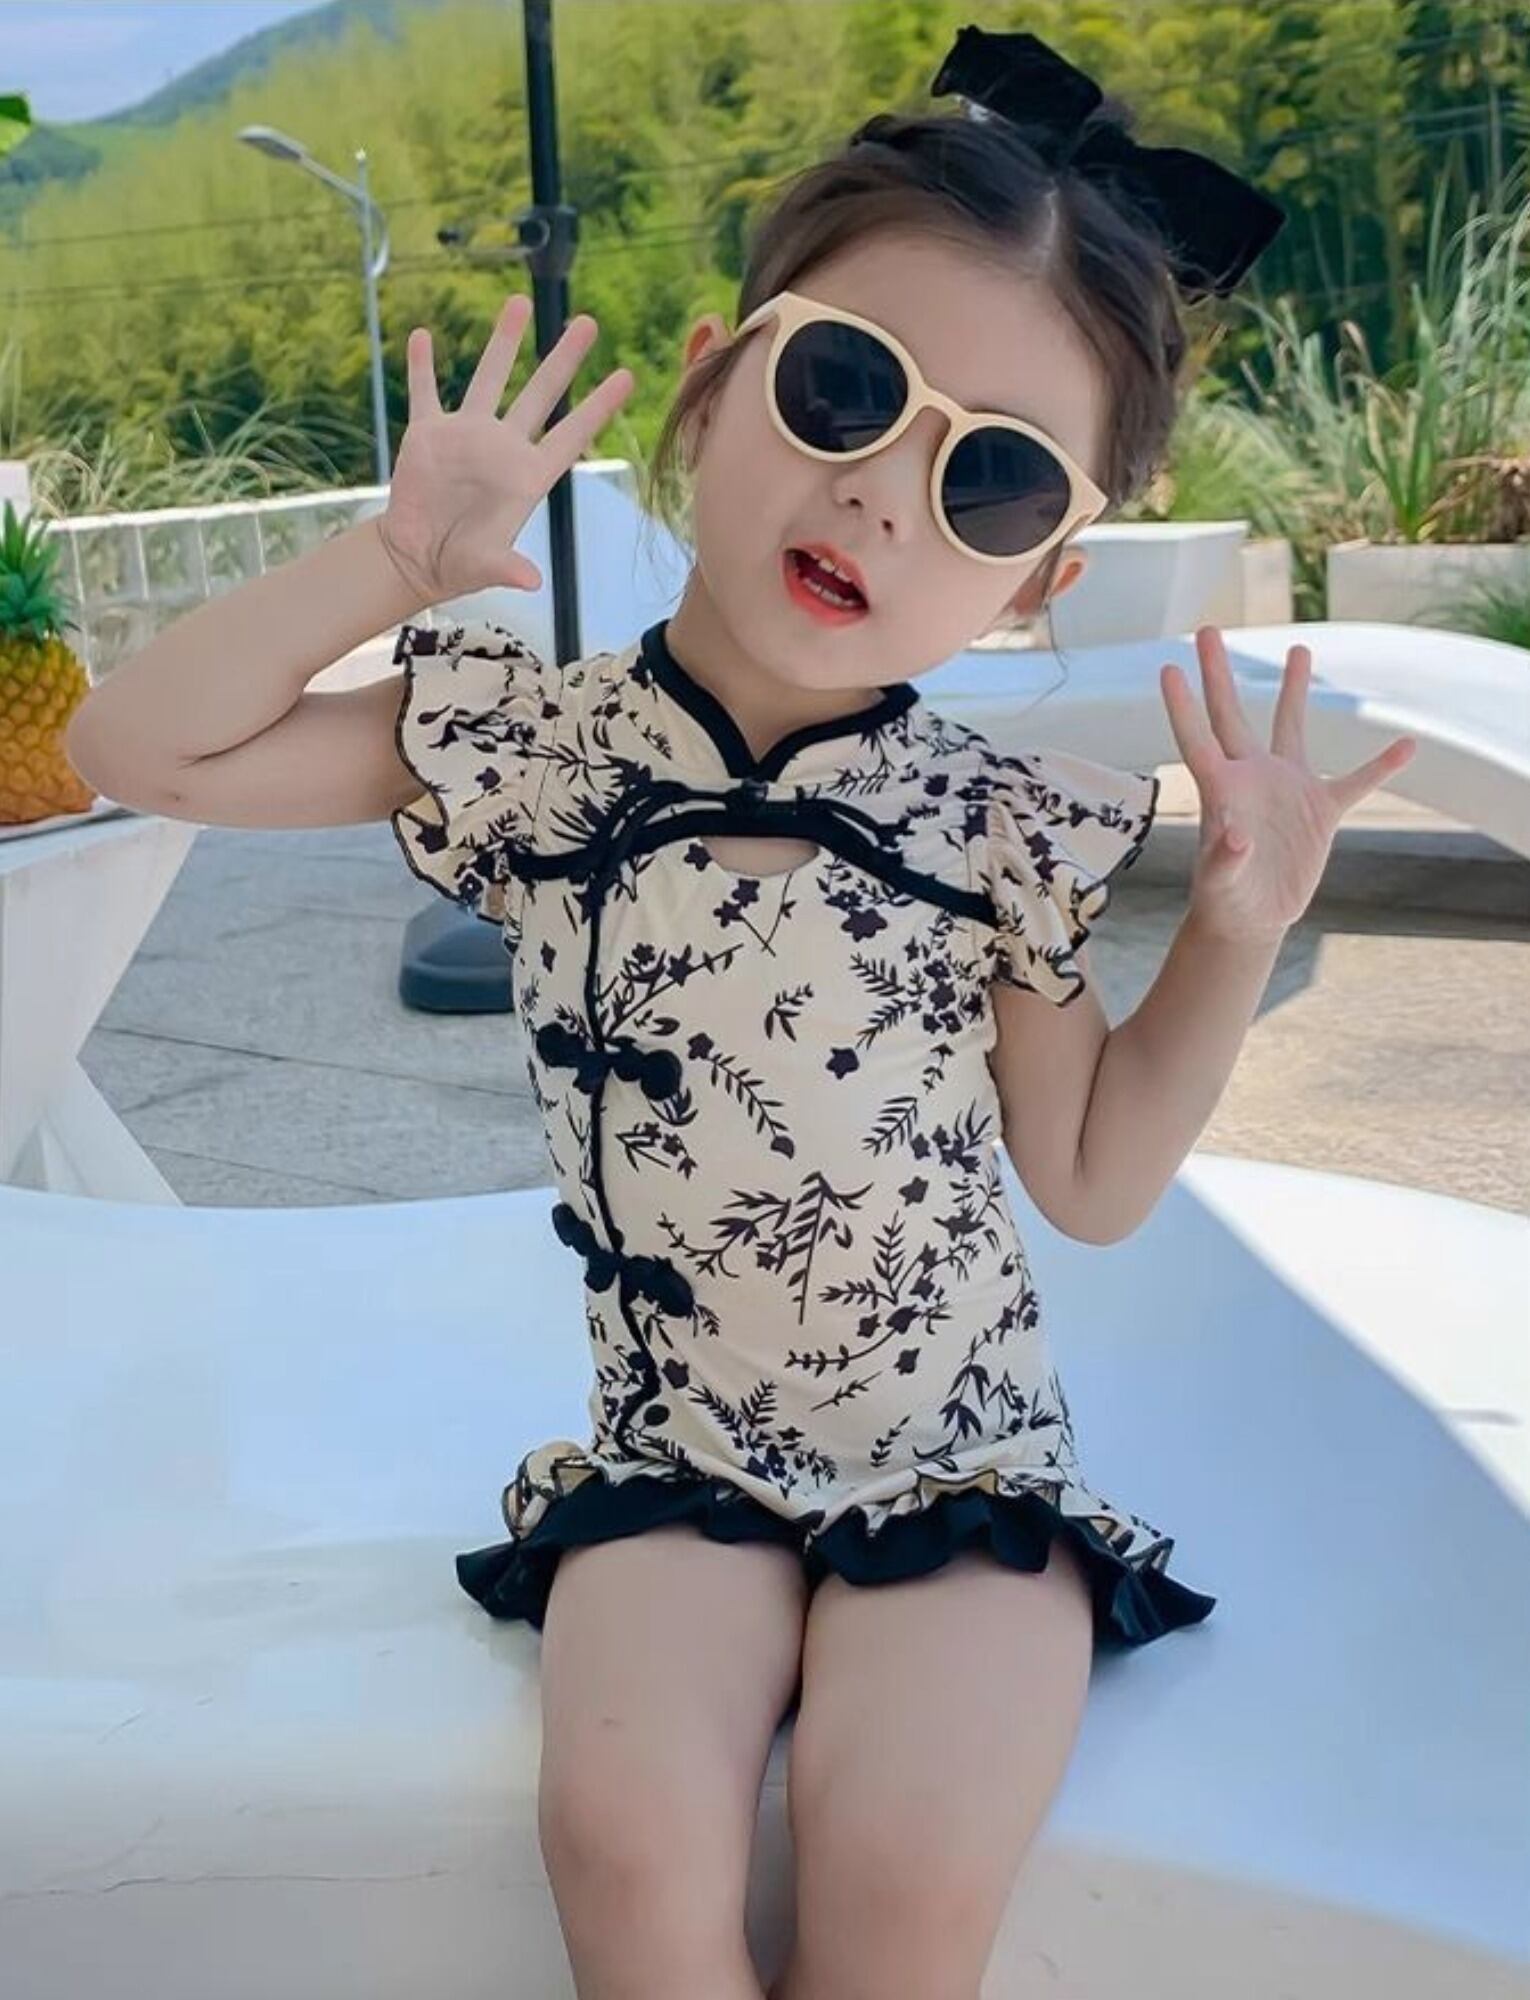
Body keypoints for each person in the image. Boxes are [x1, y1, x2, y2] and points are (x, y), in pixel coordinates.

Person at [63, 26, 1417, 2000]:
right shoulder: (534, 750)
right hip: (672, 1458)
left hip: (958, 1460)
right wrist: (388, 558)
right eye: (846, 387)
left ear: (1035, 577)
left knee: (903, 1868)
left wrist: (1234, 924)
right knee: (623, 1847)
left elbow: (1092, 1176)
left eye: (992, 477)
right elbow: (137, 747)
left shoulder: (990, 824)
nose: (880, 493)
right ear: (712, 382)